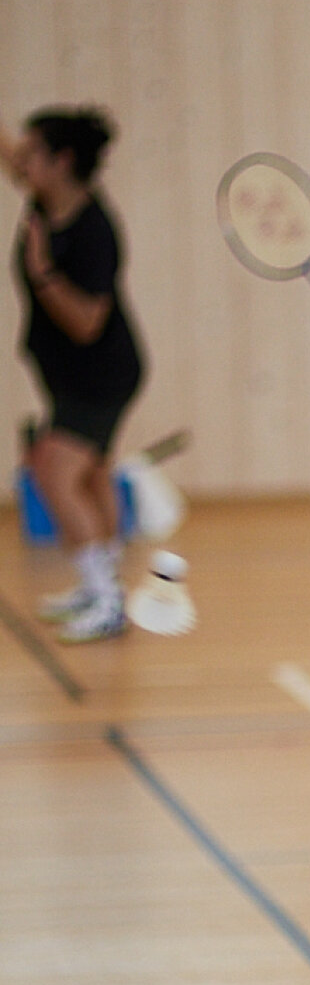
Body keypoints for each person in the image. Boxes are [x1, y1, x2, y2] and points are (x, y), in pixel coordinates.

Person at [5, 107, 145, 644]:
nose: (20, 163)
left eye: (31, 154)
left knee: (53, 471)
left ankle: (107, 603)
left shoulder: (93, 232)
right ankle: (99, 588)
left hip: (101, 375)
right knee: (91, 477)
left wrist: (42, 273)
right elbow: (10, 155)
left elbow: (87, 323)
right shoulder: (48, 199)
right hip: (68, 375)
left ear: (62, 161)